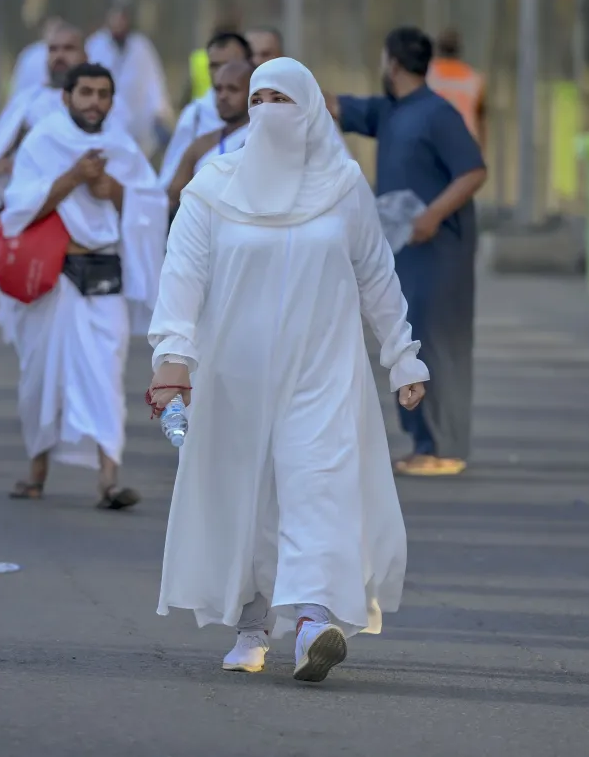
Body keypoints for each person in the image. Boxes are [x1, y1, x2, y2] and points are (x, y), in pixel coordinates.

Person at [147, 57, 429, 682]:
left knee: (318, 485)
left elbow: (377, 275)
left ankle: (312, 621)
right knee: (249, 496)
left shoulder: (344, 185)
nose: (270, 111)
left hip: (324, 369)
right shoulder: (213, 186)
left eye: (284, 99)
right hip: (236, 375)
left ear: (310, 108)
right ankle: (252, 623)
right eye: (260, 99)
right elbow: (183, 276)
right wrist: (173, 358)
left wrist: (401, 356)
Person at [1, 63, 167, 508]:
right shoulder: (44, 141)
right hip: (53, 277)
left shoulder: (121, 146)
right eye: (86, 92)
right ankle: (36, 473)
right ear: (67, 97)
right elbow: (17, 211)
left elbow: (149, 205)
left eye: (103, 94)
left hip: (103, 274)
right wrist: (73, 178)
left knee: (106, 376)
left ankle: (108, 481)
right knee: (41, 377)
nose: (95, 102)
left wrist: (109, 187)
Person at [326, 27, 486, 477]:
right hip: (405, 251)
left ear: (392, 63)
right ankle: (423, 441)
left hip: (440, 250)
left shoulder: (438, 114)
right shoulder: (391, 112)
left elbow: (473, 171)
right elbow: (333, 104)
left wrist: (433, 215)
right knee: (410, 337)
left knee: (438, 341)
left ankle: (443, 445)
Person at [0, 24, 134, 344]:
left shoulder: (108, 111)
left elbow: (132, 177)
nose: (59, 56)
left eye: (68, 48)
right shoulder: (28, 101)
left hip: (94, 251)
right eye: (53, 49)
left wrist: (113, 188)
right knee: (37, 352)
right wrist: (2, 169)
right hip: (36, 238)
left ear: (85, 54)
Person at [159, 31, 252, 193]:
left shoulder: (266, 116)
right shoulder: (195, 114)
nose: (220, 71)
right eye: (214, 65)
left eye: (229, 63)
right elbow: (172, 183)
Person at [165, 60, 252, 216]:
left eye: (233, 89)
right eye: (218, 89)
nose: (223, 96)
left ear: (252, 94)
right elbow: (174, 196)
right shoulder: (201, 145)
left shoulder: (265, 138)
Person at [86, 4, 173, 156]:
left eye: (122, 20)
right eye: (115, 20)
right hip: (105, 118)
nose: (118, 24)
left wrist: (160, 112)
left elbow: (154, 79)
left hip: (138, 120)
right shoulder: (95, 44)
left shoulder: (141, 45)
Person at [427, 28, 487, 150]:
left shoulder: (427, 76)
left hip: (434, 142)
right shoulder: (474, 79)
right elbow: (480, 119)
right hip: (465, 144)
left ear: (437, 49)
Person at [9, 15, 62, 98]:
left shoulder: (66, 54)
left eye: (57, 30)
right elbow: (18, 87)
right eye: (51, 29)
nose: (53, 33)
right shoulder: (30, 54)